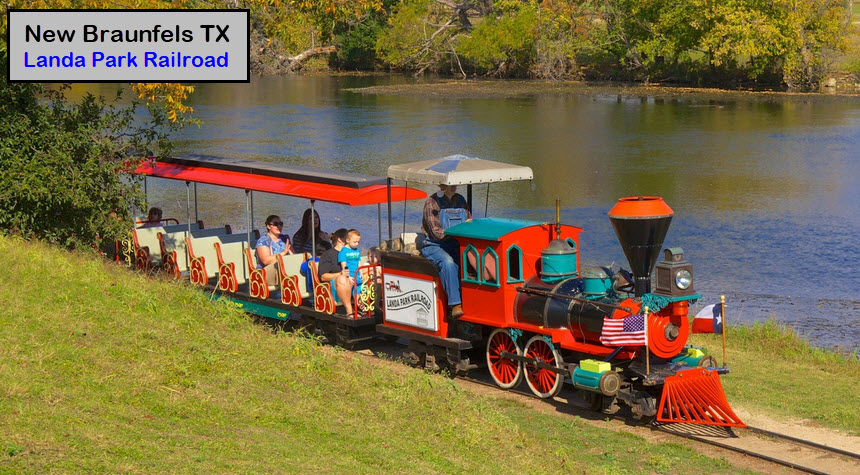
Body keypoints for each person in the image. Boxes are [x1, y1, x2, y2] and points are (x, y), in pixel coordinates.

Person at [420, 184, 471, 318]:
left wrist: (469, 226)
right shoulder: (432, 202)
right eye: (450, 185)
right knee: (448, 263)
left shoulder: (460, 199)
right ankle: (455, 304)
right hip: (434, 245)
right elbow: (436, 232)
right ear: (442, 186)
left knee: (471, 260)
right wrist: (458, 231)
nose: (454, 187)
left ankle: (472, 298)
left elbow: (469, 220)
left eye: (455, 184)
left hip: (456, 242)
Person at [317, 228, 356, 315]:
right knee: (342, 279)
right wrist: (340, 274)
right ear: (340, 239)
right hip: (335, 287)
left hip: (352, 282)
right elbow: (323, 277)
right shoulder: (328, 255)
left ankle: (373, 307)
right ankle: (349, 311)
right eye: (348, 238)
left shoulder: (352, 253)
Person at [256, 215, 293, 286]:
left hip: (284, 268)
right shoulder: (263, 241)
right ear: (268, 226)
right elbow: (266, 260)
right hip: (266, 272)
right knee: (280, 267)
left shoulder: (285, 238)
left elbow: (293, 255)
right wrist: (283, 253)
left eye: (280, 224)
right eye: (275, 224)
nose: (279, 226)